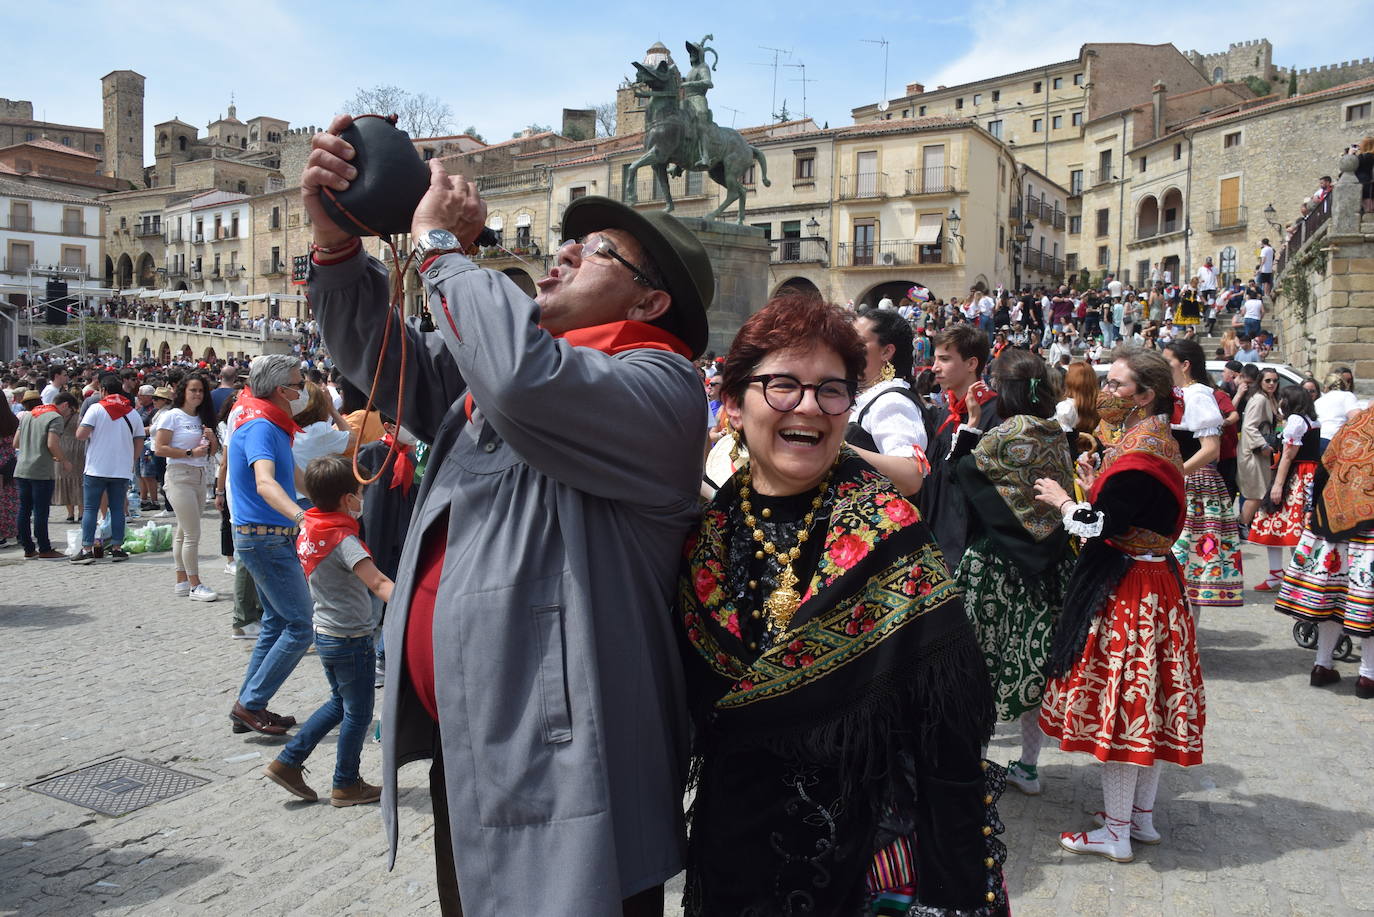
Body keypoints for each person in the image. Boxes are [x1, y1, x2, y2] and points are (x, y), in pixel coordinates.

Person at [305, 114, 715, 917]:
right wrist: (336, 246)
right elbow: (382, 357)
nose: (563, 254)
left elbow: (525, 380)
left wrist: (441, 249)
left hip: (570, 766)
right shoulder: (503, 368)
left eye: (596, 250)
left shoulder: (660, 386)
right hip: (479, 745)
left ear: (652, 297)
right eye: (570, 241)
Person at [678, 296, 1006, 916]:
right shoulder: (707, 531)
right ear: (733, 405)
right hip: (731, 853)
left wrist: (953, 894)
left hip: (861, 866)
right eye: (782, 385)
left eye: (831, 390)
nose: (809, 406)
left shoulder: (890, 534)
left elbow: (949, 740)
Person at [1033, 347, 1203, 864]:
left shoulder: (1138, 456)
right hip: (1158, 581)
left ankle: (1116, 832)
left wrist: (1064, 499)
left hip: (1132, 587)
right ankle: (1140, 819)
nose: (1107, 391)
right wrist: (1096, 482)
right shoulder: (1156, 441)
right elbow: (1131, 508)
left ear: (1145, 396)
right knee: (1149, 703)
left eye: (1118, 384)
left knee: (1123, 706)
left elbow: (1099, 525)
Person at [951, 349, 1076, 798]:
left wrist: (969, 424)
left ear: (1003, 389)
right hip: (1050, 565)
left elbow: (959, 472)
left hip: (995, 565)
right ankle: (1028, 766)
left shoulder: (1002, 435)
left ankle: (978, 760)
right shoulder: (1056, 432)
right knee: (1035, 665)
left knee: (982, 663)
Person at [263, 454, 394, 806]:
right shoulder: (343, 538)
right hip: (351, 638)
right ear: (347, 499)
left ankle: (288, 762)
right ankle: (346, 784)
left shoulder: (310, 526)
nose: (363, 500)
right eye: (360, 494)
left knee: (340, 703)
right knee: (358, 713)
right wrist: (421, 604)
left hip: (326, 633)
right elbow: (378, 583)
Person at [227, 354, 312, 737]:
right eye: (299, 384)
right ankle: (250, 704)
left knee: (277, 623)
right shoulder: (261, 425)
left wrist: (334, 500)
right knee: (300, 626)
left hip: (267, 537)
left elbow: (296, 477)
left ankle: (249, 704)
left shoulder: (268, 422)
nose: (303, 390)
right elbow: (266, 482)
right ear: (281, 390)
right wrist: (302, 517)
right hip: (267, 538)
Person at [1276, 404, 1374, 697]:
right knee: (1366, 600)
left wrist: (1316, 510)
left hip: (1334, 517)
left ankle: (1322, 664)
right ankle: (1368, 676)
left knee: (1333, 597)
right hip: (1368, 526)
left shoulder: (1356, 423)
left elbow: (1325, 466)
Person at [1163, 340, 1244, 612]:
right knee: (1177, 560)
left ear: (1185, 365)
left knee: (1186, 561)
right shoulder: (1179, 393)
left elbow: (1211, 449)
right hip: (1180, 480)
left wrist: (1176, 473)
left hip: (1193, 483)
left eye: (1168, 361)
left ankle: (1188, 632)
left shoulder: (1197, 395)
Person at [921, 324, 1002, 573]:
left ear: (971, 363)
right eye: (935, 359)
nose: (935, 368)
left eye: (945, 359)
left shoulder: (997, 414)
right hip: (937, 536)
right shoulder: (945, 412)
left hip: (973, 545)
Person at [846, 308, 930, 496]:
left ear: (886, 351)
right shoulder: (872, 396)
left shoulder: (891, 401)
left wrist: (837, 449)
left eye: (857, 342)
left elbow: (910, 473)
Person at [151, 373, 221, 601]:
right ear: (183, 391)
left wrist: (211, 439)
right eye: (193, 390)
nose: (197, 394)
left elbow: (212, 451)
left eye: (201, 390)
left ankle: (181, 580)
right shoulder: (172, 416)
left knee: (183, 531)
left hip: (199, 476)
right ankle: (195, 584)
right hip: (179, 475)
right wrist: (189, 452)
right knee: (192, 534)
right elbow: (159, 448)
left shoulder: (202, 417)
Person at [1248, 385, 1321, 590]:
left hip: (1295, 476)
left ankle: (1289, 576)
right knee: (1293, 525)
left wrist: (1278, 485)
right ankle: (1292, 575)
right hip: (1309, 474)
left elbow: (1288, 456)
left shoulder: (1296, 421)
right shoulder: (1311, 420)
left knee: (1283, 523)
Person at [71, 374, 143, 565]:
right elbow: (139, 441)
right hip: (121, 469)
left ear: (103, 390)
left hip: (96, 468)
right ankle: (117, 548)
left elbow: (81, 435)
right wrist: (131, 460)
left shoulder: (96, 408)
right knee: (118, 509)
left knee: (90, 509)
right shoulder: (132, 412)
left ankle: (87, 549)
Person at [14, 392, 76, 559]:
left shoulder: (28, 415)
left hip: (22, 468)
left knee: (24, 510)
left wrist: (32, 447)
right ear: (65, 405)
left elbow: (16, 442)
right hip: (41, 470)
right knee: (41, 511)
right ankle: (45, 548)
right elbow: (52, 443)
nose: (68, 415)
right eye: (70, 411)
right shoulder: (55, 417)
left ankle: (28, 548)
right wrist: (64, 460)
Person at [1314, 371, 1361, 452]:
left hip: (1317, 440)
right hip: (1334, 440)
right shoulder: (1347, 396)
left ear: (1326, 386)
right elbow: (1357, 418)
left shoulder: (1318, 401)